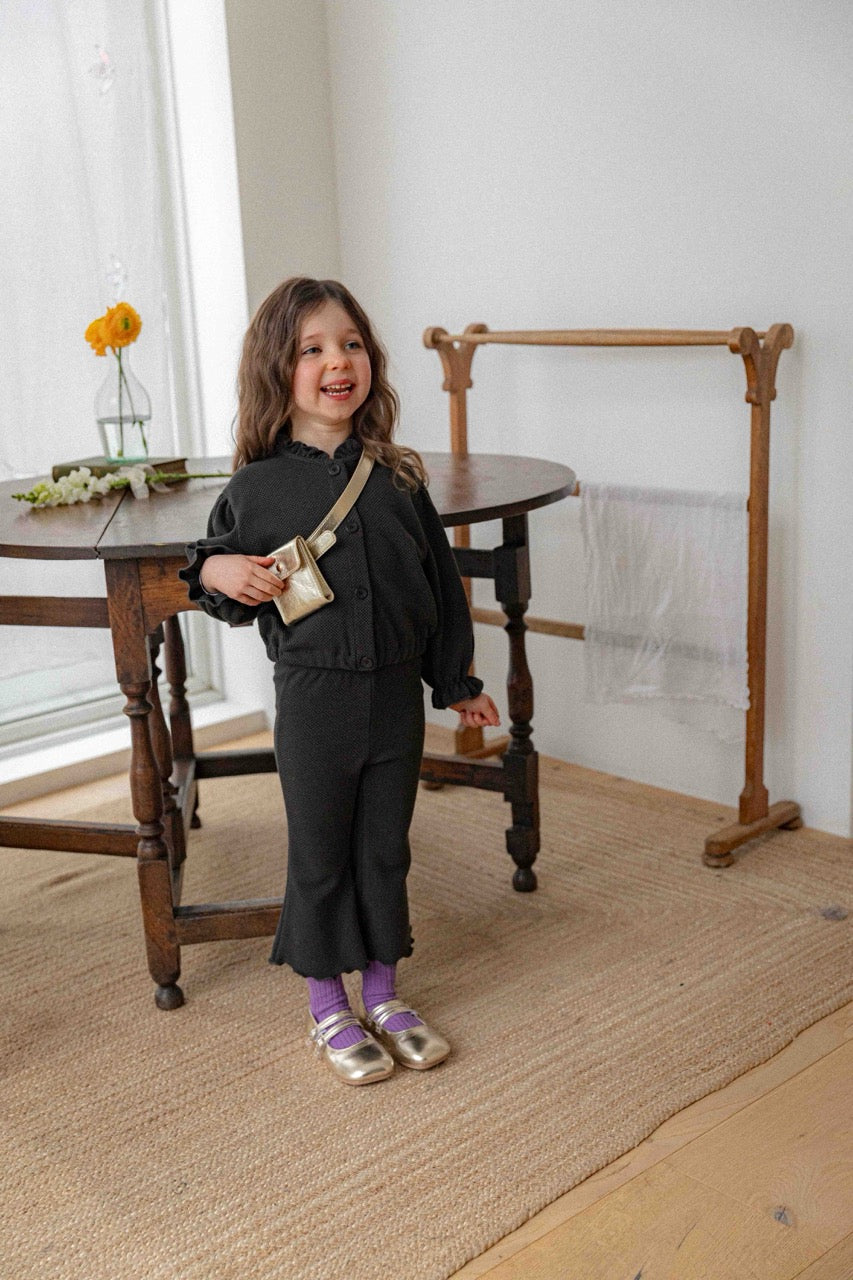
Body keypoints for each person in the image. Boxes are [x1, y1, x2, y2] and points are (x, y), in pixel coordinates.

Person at [179, 276, 500, 1085]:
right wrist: (218, 568)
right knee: (321, 854)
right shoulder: (254, 487)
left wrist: (455, 682)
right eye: (312, 349)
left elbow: (439, 586)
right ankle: (327, 1004)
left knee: (384, 849)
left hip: (394, 698)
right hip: (314, 700)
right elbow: (208, 573)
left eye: (351, 344)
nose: (337, 362)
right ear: (275, 369)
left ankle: (384, 994)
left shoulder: (398, 477)